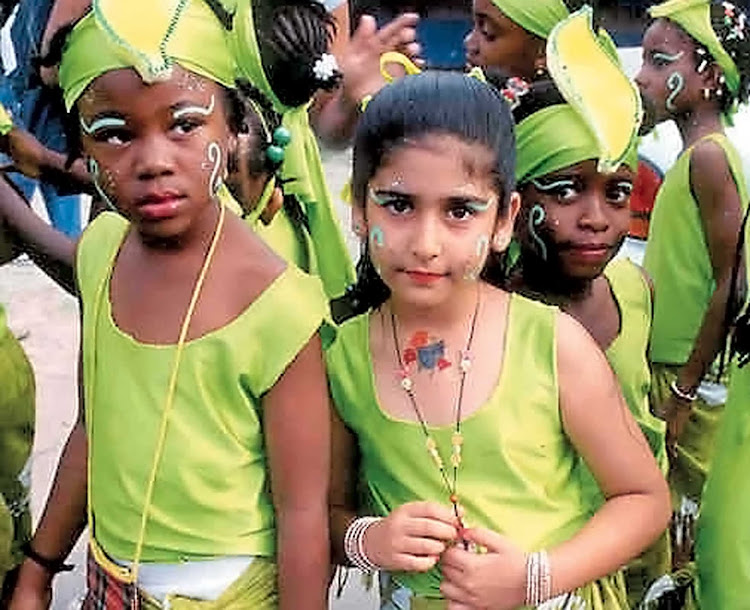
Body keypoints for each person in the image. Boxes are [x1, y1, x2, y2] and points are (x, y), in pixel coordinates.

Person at [8, 0, 333, 607]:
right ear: (78, 143)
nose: (153, 160)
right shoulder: (102, 250)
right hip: (109, 582)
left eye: (185, 123)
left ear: (233, 127)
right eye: (113, 134)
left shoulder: (278, 303)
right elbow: (93, 425)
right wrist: (39, 569)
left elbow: (304, 513)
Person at [326, 65, 670, 609]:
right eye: (397, 205)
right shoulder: (342, 357)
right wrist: (370, 539)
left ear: (504, 220)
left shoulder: (553, 345)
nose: (426, 243)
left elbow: (643, 499)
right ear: (358, 208)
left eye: (460, 210)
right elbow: (321, 511)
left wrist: (536, 576)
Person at [499, 9, 670, 604]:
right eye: (565, 190)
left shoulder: (633, 291)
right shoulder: (492, 317)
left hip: (640, 560)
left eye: (616, 192)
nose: (596, 218)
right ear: (515, 201)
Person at [636, 0, 750, 567]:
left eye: (660, 62)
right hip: (672, 369)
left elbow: (735, 281)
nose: (642, 76)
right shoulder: (687, 157)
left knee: (692, 533)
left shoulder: (709, 159)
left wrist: (683, 390)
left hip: (692, 380)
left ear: (708, 76)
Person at [464, 0, 587, 80]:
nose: (469, 42)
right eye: (474, 25)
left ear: (544, 52)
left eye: (487, 32)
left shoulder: (558, 120)